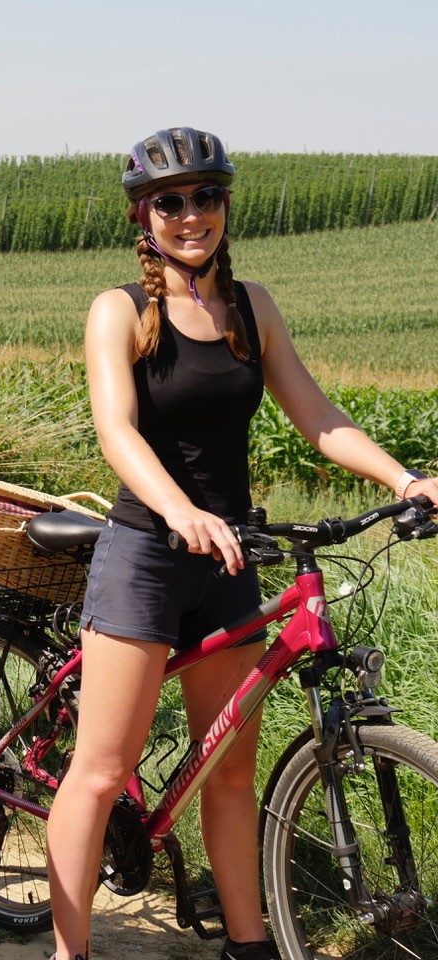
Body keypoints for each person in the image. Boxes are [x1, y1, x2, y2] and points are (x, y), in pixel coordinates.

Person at [45, 126, 438, 960]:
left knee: (227, 768)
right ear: (142, 216)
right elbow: (116, 431)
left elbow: (319, 415)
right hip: (149, 551)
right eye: (172, 201)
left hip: (229, 556)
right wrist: (179, 510)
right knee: (104, 770)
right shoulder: (121, 309)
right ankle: (67, 950)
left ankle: (251, 944)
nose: (192, 215)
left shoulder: (252, 307)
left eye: (207, 196)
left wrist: (405, 481)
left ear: (227, 204)